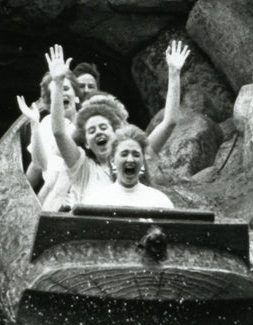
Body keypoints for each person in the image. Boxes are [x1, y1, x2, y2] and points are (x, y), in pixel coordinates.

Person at [43, 40, 189, 206]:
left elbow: (169, 122)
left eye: (103, 127)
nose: (98, 132)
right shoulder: (82, 166)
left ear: (116, 134)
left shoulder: (133, 154)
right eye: (91, 130)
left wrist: (174, 73)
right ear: (87, 144)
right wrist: (58, 82)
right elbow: (59, 133)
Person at [16, 72, 80, 209]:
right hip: (53, 194)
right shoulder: (47, 123)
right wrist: (35, 124)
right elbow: (40, 164)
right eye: (56, 91)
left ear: (76, 94)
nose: (62, 93)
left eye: (66, 88)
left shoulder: (87, 120)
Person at [84, 125, 174, 208]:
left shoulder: (160, 201)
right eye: (124, 154)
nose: (130, 159)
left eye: (136, 154)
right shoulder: (96, 201)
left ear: (143, 162)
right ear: (112, 162)